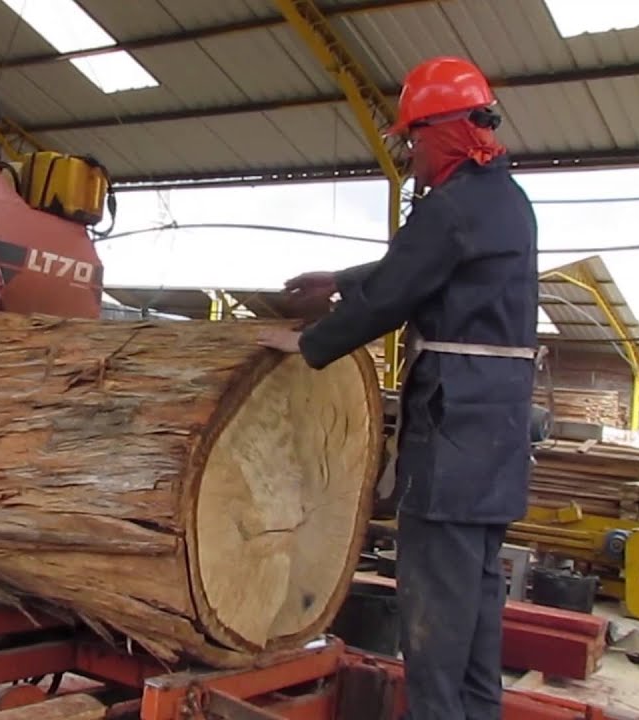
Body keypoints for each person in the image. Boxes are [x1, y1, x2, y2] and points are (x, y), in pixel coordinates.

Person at [256, 56, 539, 719]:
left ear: (444, 130)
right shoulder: (502, 201)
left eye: (412, 138)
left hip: (451, 447)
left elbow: (401, 286)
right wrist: (339, 281)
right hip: (492, 446)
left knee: (434, 629)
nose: (410, 154)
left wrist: (313, 340)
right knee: (475, 622)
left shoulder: (455, 204)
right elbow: (420, 265)